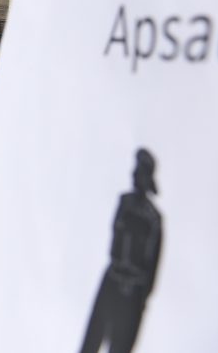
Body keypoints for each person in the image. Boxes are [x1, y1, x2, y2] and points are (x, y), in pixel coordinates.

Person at [80, 148, 162, 353]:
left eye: (139, 172)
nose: (134, 176)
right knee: (91, 341)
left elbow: (151, 269)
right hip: (112, 281)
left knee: (120, 347)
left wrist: (139, 298)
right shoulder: (124, 202)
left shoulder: (153, 219)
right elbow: (115, 238)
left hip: (131, 293)